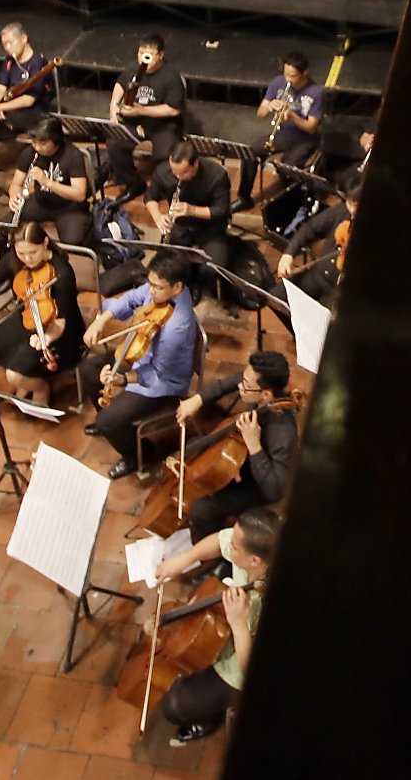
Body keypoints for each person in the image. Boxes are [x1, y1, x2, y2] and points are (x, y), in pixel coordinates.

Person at [153, 507, 279, 746]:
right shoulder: (261, 543)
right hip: (231, 623)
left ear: (254, 560)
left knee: (174, 706)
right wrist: (183, 559)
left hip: (240, 664)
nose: (228, 545)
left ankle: (214, 715)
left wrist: (240, 626)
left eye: (234, 546)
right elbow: (219, 539)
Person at [75, 251, 199, 479]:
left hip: (163, 382)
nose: (151, 291)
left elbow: (158, 372)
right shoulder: (158, 289)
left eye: (158, 287)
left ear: (177, 287)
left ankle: (139, 454)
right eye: (150, 284)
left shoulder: (177, 326)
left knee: (107, 421)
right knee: (88, 370)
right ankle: (112, 420)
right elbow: (131, 298)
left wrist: (123, 379)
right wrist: (100, 321)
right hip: (140, 354)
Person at [170, 350, 298, 542]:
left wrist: (254, 445)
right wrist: (199, 399)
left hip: (257, 483)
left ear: (265, 394)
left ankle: (222, 552)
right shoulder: (259, 392)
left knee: (201, 511)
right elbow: (232, 381)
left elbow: (274, 489)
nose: (239, 385)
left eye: (246, 385)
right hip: (241, 454)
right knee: (194, 446)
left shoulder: (283, 433)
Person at [0, 222, 84, 406]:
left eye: (33, 252)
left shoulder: (62, 273)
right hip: (29, 315)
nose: (28, 259)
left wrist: (46, 337)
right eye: (21, 253)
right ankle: (27, 381)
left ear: (45, 242)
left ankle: (41, 388)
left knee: (14, 374)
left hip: (60, 329)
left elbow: (60, 323)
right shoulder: (15, 260)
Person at [98, 142, 232, 296]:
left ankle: (196, 278)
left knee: (211, 270)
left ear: (195, 163)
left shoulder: (216, 174)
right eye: (174, 172)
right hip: (181, 226)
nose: (177, 177)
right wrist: (158, 217)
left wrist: (192, 210)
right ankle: (187, 283)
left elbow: (221, 211)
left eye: (183, 173)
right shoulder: (164, 171)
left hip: (211, 228)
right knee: (169, 265)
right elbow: (150, 197)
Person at [105, 34, 187, 197]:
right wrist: (113, 106)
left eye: (149, 54)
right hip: (136, 122)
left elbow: (174, 109)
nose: (144, 58)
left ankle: (164, 187)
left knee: (165, 152)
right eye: (140, 53)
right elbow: (120, 84)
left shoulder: (171, 76)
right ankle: (133, 183)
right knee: (114, 143)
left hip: (163, 125)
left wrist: (142, 110)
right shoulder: (133, 70)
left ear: (161, 55)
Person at [250, 52, 326, 201]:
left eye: (293, 76)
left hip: (305, 140)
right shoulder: (278, 82)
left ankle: (291, 199)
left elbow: (311, 127)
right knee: (251, 152)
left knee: (288, 166)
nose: (288, 79)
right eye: (286, 74)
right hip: (283, 135)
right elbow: (260, 113)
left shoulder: (316, 92)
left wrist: (292, 116)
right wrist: (270, 106)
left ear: (305, 73)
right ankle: (244, 195)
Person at [276, 171, 358, 305]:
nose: (353, 211)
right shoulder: (341, 211)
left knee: (325, 321)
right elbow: (310, 228)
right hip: (319, 275)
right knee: (277, 297)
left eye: (358, 205)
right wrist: (288, 254)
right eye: (351, 203)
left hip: (340, 291)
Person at [8, 117, 92, 248]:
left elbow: (80, 194)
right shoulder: (30, 152)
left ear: (56, 140)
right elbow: (16, 184)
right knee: (4, 229)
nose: (37, 147)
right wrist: (14, 195)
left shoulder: (73, 155)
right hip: (41, 202)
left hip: (68, 207)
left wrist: (46, 182)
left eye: (42, 143)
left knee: (74, 240)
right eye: (34, 142)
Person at [0, 23, 59, 144]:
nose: (7, 47)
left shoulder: (38, 62)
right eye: (4, 44)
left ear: (23, 38)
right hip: (9, 107)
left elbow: (28, 100)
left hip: (33, 111)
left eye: (10, 42)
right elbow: (0, 88)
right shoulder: (9, 61)